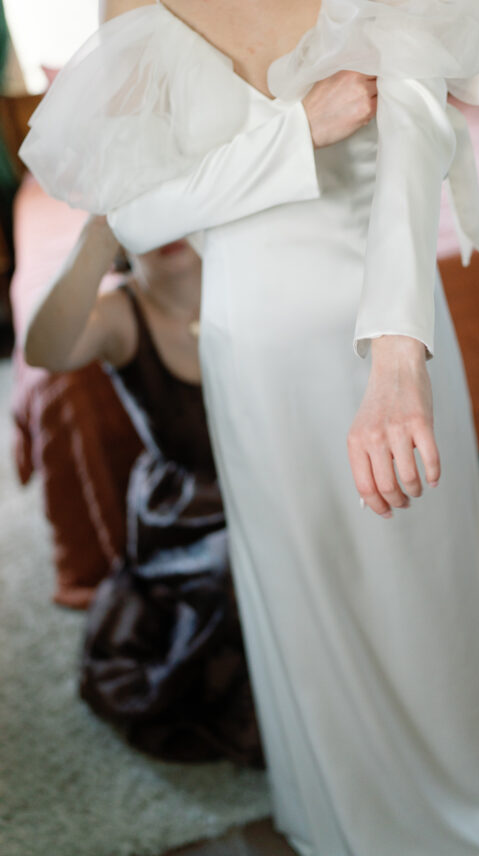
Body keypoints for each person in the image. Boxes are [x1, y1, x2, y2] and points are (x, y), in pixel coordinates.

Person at [19, 0, 479, 852]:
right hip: (252, 345)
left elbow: (413, 161)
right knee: (306, 597)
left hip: (393, 336)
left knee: (424, 585)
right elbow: (141, 212)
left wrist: (393, 363)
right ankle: (339, 822)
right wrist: (295, 129)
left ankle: (456, 818)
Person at [23, 219, 264, 766]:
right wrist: (95, 236)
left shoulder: (251, 276)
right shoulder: (118, 314)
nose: (165, 227)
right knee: (239, 570)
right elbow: (42, 351)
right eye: (146, 214)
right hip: (190, 511)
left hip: (272, 479)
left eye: (175, 206)